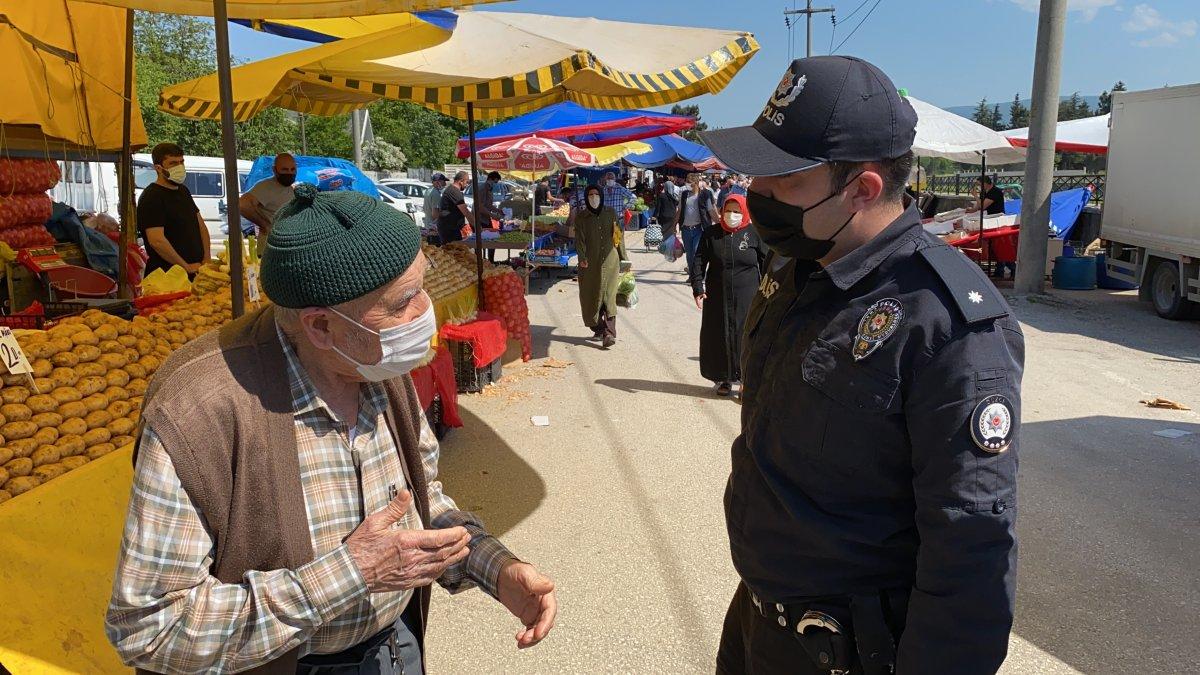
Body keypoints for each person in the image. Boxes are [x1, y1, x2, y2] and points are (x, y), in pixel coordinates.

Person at [106, 184, 557, 674]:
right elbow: (150, 627)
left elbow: (423, 506)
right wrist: (350, 574)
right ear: (321, 327)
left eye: (422, 286)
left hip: (393, 647)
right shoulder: (200, 413)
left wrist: (496, 569)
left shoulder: (378, 364)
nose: (425, 311)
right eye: (404, 300)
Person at [702, 55, 1022, 675]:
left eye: (782, 180)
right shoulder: (800, 262)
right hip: (757, 622)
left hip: (847, 652)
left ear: (863, 189)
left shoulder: (946, 321)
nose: (756, 196)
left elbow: (972, 544)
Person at [690, 194, 767, 397]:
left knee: (745, 336)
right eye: (728, 210)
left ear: (744, 212)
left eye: (737, 211)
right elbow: (698, 262)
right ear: (722, 211)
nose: (731, 215)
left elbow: (767, 263)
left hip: (747, 296)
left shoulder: (754, 234)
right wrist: (698, 287)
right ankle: (724, 378)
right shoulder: (711, 234)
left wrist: (769, 292)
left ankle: (745, 380)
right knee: (720, 335)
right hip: (717, 296)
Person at [136, 142, 210, 276]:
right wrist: (185, 266)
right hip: (167, 276)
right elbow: (156, 240)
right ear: (158, 168)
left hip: (195, 271)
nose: (180, 167)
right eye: (173, 163)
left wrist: (207, 258)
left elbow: (201, 227)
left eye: (182, 162)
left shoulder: (183, 191)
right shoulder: (151, 197)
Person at [575, 184, 629, 349]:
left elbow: (617, 236)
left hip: (610, 262)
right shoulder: (581, 217)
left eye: (596, 194)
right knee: (591, 296)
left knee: (609, 297)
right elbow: (580, 240)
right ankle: (598, 328)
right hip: (589, 264)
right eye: (590, 194)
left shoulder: (610, 213)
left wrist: (624, 258)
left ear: (601, 196)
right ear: (586, 197)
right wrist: (582, 257)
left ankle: (609, 333)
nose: (593, 197)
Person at [240, 153, 298, 238]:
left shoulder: (290, 187)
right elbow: (242, 205)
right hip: (272, 243)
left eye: (292, 169)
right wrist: (266, 225)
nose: (289, 173)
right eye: (285, 170)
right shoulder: (266, 186)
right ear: (274, 170)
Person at [674, 174, 719, 274]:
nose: (688, 185)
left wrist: (719, 224)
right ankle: (692, 275)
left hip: (699, 229)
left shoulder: (704, 195)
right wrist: (674, 225)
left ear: (697, 183)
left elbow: (711, 211)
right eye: (687, 183)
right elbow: (679, 210)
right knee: (689, 255)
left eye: (691, 183)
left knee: (696, 253)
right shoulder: (684, 194)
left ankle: (697, 275)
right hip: (685, 230)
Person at [437, 171, 474, 245]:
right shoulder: (454, 191)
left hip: (451, 227)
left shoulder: (453, 190)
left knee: (456, 251)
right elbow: (465, 211)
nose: (467, 185)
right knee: (454, 251)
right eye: (467, 182)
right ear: (461, 181)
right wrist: (476, 226)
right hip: (449, 229)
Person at [654, 176, 682, 240]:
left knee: (663, 231)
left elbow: (658, 207)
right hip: (672, 216)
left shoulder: (662, 196)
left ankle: (665, 244)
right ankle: (669, 244)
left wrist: (654, 216)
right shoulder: (674, 197)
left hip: (663, 216)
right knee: (670, 231)